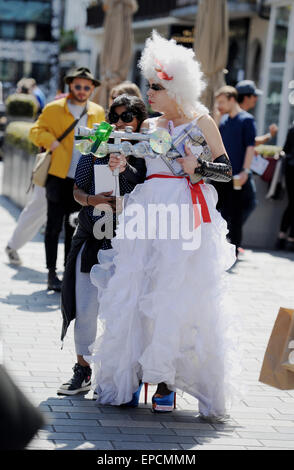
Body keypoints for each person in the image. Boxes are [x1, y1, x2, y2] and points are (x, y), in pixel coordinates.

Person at [88, 32, 240, 421]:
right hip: (147, 215)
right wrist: (122, 166)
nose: (149, 93)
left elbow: (227, 171)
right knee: (138, 293)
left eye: (156, 86)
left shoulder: (203, 120)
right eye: (149, 85)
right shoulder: (151, 126)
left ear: (176, 86)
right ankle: (130, 376)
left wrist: (198, 168)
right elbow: (141, 166)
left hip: (185, 218)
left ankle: (165, 382)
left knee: (176, 297)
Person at [57, 94, 147, 395]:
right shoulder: (98, 143)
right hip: (93, 234)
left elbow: (149, 189)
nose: (121, 123)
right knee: (85, 305)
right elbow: (77, 189)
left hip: (129, 242)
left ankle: (118, 374)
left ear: (139, 121)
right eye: (116, 116)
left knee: (125, 311)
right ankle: (82, 369)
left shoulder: (149, 149)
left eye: (128, 117)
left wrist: (126, 170)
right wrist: (92, 200)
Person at [29, 67, 105, 291]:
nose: (82, 90)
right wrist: (49, 139)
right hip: (58, 176)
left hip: (82, 180)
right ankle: (51, 273)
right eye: (78, 86)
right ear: (71, 85)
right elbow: (35, 131)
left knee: (73, 227)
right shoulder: (54, 109)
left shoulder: (98, 112)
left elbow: (101, 143)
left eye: (86, 87)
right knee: (53, 226)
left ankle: (67, 271)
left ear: (91, 89)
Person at [214, 86, 257, 255]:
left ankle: (234, 248)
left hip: (238, 175)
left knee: (236, 212)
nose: (219, 106)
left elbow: (250, 147)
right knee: (217, 210)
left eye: (222, 102)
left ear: (232, 99)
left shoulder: (246, 120)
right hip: (220, 174)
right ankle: (218, 245)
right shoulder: (223, 120)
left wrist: (246, 170)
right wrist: (217, 118)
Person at [236, 80, 278, 145]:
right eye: (255, 95)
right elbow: (251, 142)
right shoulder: (245, 119)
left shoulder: (231, 115)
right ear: (246, 97)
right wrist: (270, 135)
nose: (256, 98)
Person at [276, 123, 294, 251]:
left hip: (290, 170)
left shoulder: (292, 128)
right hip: (291, 170)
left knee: (292, 203)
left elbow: (285, 150)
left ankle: (282, 237)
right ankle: (290, 239)